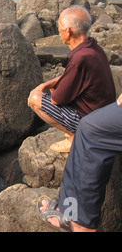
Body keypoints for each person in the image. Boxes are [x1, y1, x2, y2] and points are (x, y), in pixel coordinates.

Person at [27, 5, 115, 153]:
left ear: (68, 31)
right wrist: (46, 84)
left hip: (91, 123)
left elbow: (56, 99)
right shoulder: (93, 48)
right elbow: (71, 77)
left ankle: (76, 137)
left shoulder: (80, 58)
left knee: (35, 99)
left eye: (60, 28)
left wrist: (40, 90)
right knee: (49, 88)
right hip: (103, 116)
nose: (59, 32)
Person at [37, 92, 122, 232]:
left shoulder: (79, 68)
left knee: (90, 130)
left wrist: (44, 86)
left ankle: (78, 221)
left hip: (83, 114)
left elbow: (58, 97)